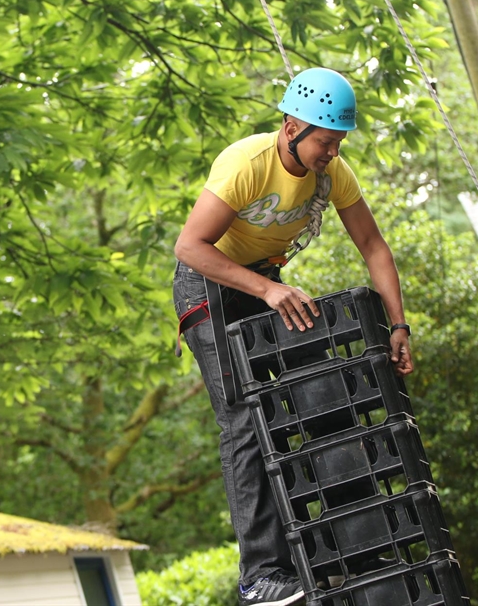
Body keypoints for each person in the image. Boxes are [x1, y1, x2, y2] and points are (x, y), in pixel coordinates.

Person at [172, 67, 414, 606]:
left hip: (263, 282)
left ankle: (359, 543)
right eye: (325, 142)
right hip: (209, 288)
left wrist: (398, 325)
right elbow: (190, 246)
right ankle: (261, 577)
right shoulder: (247, 164)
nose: (331, 152)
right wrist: (265, 290)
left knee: (326, 398)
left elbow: (374, 246)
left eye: (338, 142)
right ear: (291, 127)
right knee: (243, 420)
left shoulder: (332, 175)